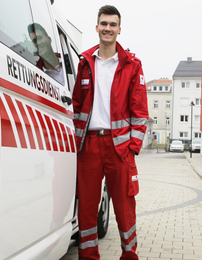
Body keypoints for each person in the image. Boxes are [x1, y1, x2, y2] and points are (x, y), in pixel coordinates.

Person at [72, 5, 148, 260]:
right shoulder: (85, 62)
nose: (107, 28)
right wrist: (76, 142)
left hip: (119, 149)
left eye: (112, 24)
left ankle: (129, 256)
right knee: (87, 209)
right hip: (89, 147)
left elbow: (140, 112)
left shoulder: (131, 65)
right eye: (103, 24)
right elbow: (76, 106)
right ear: (97, 27)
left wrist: (132, 148)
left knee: (125, 209)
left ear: (118, 29)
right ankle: (88, 256)